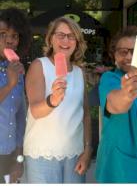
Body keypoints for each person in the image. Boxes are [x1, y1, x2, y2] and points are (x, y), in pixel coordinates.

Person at [23, 17, 92, 183]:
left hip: (75, 155)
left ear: (77, 42)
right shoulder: (39, 66)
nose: (66, 40)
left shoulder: (79, 72)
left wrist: (88, 149)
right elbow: (35, 110)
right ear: (50, 38)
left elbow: (86, 115)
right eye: (60, 35)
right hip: (41, 155)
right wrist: (52, 100)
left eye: (71, 36)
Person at [95, 26, 137, 183]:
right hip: (120, 166)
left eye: (134, 51)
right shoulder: (110, 78)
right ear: (114, 55)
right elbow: (115, 104)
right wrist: (126, 94)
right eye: (123, 51)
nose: (129, 56)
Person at [0, 8, 31, 183]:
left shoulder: (18, 71)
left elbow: (20, 118)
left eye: (15, 36)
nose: (10, 40)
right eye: (3, 34)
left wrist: (19, 159)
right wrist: (9, 84)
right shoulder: (14, 77)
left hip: (10, 155)